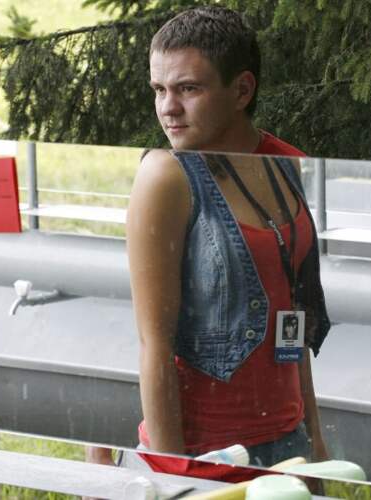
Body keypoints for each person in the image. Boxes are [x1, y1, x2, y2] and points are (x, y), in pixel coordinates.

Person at [88, 6, 331, 475]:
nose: (167, 108)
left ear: (242, 89)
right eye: (159, 89)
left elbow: (294, 316)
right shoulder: (165, 176)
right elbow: (153, 344)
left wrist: (315, 441)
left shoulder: (285, 163)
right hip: (206, 454)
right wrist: (175, 474)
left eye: (188, 89)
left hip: (288, 440)